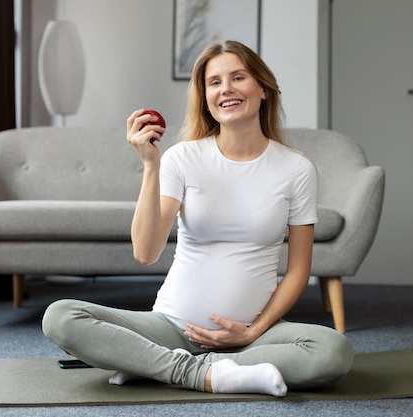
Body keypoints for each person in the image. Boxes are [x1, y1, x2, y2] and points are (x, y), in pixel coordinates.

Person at [42, 40, 354, 397]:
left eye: (238, 77)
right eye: (215, 82)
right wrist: (150, 166)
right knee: (60, 316)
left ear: (263, 89)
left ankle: (150, 365)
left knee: (333, 351)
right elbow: (145, 253)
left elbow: (299, 270)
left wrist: (252, 332)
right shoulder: (181, 158)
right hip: (171, 327)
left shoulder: (296, 168)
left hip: (252, 336)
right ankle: (202, 373)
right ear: (205, 95)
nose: (227, 90)